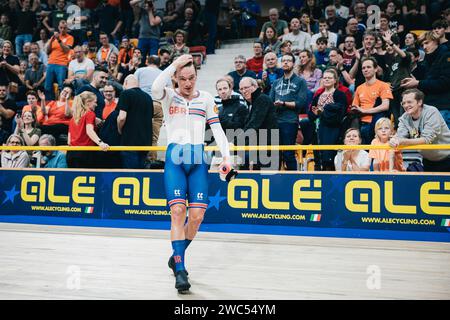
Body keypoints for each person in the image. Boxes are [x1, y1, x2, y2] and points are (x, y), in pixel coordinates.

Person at [152, 54, 234, 293]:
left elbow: (217, 129)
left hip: (198, 161)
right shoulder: (168, 95)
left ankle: (177, 253)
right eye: (183, 78)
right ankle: (180, 269)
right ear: (176, 78)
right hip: (175, 161)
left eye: (192, 78)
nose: (188, 83)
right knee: (178, 211)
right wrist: (174, 65)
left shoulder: (207, 99)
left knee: (196, 217)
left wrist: (226, 157)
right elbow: (156, 86)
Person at [389, 89, 450, 172]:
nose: (406, 105)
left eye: (409, 102)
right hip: (428, 160)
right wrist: (394, 140)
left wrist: (402, 141)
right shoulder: (404, 118)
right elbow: (399, 137)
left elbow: (427, 139)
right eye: (403, 103)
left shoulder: (431, 112)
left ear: (419, 102)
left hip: (447, 159)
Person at [400, 31, 450, 128]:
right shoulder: (426, 60)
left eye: (427, 43)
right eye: (422, 44)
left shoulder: (446, 56)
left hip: (444, 106)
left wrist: (418, 83)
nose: (424, 47)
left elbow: (445, 82)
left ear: (436, 41)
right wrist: (415, 82)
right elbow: (426, 83)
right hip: (429, 106)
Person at [270, 53, 307, 170]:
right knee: (275, 155)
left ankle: (292, 179)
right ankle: (275, 181)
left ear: (293, 64)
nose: (285, 63)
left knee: (288, 153)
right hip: (275, 122)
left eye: (288, 61)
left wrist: (284, 103)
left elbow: (301, 103)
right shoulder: (276, 82)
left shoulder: (300, 81)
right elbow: (270, 101)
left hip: (290, 121)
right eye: (283, 61)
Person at [307, 68, 347, 171]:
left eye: (330, 78)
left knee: (329, 158)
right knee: (318, 157)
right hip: (318, 129)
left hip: (332, 130)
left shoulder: (340, 95)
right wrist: (316, 114)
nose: (327, 80)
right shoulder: (318, 95)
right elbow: (311, 112)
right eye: (325, 78)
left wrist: (323, 112)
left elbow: (340, 114)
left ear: (335, 80)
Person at [239, 76, 278, 170]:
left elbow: (254, 124)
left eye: (246, 87)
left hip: (266, 149)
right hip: (259, 148)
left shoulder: (262, 99)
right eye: (241, 89)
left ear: (255, 86)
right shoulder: (253, 102)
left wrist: (236, 142)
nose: (244, 91)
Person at [351, 57, 393, 145]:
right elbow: (354, 107)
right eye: (363, 68)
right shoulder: (359, 88)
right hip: (361, 124)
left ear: (376, 69)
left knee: (376, 155)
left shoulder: (383, 85)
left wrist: (364, 110)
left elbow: (385, 106)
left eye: (368, 67)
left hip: (378, 126)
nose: (365, 70)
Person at [116, 75, 153, 169]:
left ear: (125, 82)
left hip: (129, 142)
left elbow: (122, 117)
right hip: (145, 142)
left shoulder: (126, 94)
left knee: (131, 175)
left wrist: (119, 129)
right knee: (141, 174)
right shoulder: (148, 97)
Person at [134, 55, 166, 162]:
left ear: (147, 61)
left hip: (142, 104)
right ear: (159, 63)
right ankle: (152, 163)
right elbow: (169, 93)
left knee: (138, 134)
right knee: (153, 138)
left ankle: (140, 162)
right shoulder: (163, 73)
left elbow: (132, 86)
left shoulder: (140, 70)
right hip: (157, 104)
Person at [67, 91, 109, 168]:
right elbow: (89, 131)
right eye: (95, 102)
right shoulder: (90, 114)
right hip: (85, 153)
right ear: (88, 102)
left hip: (71, 154)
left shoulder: (73, 118)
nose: (96, 105)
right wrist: (101, 143)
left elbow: (69, 141)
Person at [44, 20, 74, 101]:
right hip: (51, 63)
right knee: (47, 86)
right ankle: (49, 103)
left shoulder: (70, 37)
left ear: (67, 28)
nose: (62, 29)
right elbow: (47, 51)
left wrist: (59, 40)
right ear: (58, 28)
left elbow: (67, 50)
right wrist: (51, 40)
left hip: (61, 64)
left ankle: (62, 103)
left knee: (61, 85)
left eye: (64, 28)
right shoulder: (53, 37)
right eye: (61, 28)